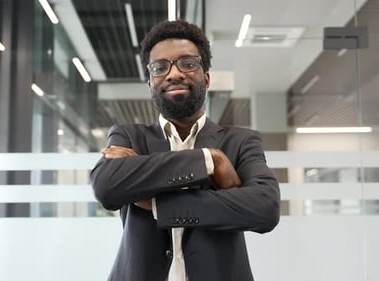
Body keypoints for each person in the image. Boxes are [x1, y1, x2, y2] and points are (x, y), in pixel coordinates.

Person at [90, 19, 280, 281]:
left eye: (188, 64)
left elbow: (264, 208)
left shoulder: (241, 141)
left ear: (206, 77)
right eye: (160, 67)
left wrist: (157, 204)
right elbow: (106, 186)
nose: (174, 74)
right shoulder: (128, 136)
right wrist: (210, 160)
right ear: (150, 84)